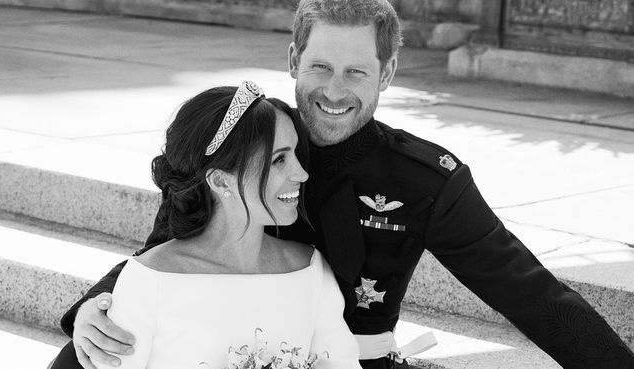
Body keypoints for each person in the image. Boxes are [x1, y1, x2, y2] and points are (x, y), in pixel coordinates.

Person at [59, 1, 634, 368]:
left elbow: (532, 295)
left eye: (357, 71)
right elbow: (175, 246)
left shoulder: (425, 179)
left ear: (386, 73)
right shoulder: (248, 148)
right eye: (320, 67)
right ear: (292, 59)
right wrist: (92, 310)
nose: (335, 90)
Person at [48, 82, 361, 369]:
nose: (302, 174)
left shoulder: (310, 271)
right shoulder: (150, 280)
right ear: (220, 180)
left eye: (294, 154)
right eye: (279, 160)